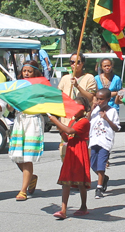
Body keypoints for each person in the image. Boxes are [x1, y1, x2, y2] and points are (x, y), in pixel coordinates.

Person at [48, 97, 91, 219]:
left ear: (84, 109)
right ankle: (63, 209)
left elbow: (70, 130)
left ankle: (83, 206)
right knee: (66, 181)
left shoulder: (84, 121)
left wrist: (57, 121)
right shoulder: (73, 121)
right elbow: (67, 137)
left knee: (81, 182)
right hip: (71, 152)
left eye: (78, 107)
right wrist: (61, 131)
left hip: (80, 152)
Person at [8, 61, 44, 201]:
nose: (27, 73)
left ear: (35, 72)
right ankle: (31, 177)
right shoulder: (17, 87)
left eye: (29, 71)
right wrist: (10, 103)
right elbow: (11, 108)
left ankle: (23, 190)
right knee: (16, 155)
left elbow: (42, 104)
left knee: (27, 157)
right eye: (24, 71)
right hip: (19, 121)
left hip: (32, 121)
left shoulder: (39, 87)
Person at [89, 88, 120, 198]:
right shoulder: (95, 110)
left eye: (101, 99)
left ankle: (99, 188)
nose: (99, 101)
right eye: (97, 99)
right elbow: (87, 122)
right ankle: (104, 178)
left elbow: (116, 128)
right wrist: (90, 110)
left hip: (105, 142)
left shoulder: (112, 112)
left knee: (101, 165)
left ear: (108, 99)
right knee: (93, 164)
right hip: (93, 140)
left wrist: (107, 119)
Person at [58, 53, 97, 122]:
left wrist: (77, 86)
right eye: (72, 62)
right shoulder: (65, 78)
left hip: (82, 116)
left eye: (77, 62)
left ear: (83, 63)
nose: (74, 64)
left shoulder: (89, 78)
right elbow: (58, 95)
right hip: (67, 115)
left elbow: (90, 97)